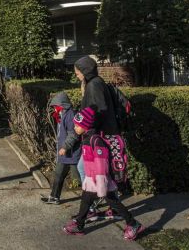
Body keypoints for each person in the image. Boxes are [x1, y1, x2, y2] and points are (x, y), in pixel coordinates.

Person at [61, 57, 144, 241]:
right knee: (95, 181)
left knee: (98, 183)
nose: (76, 75)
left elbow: (100, 111)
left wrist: (82, 126)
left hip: (100, 142)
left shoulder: (94, 85)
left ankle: (131, 223)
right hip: (98, 140)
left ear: (85, 70)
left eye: (77, 71)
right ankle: (83, 220)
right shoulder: (95, 83)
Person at [40, 92, 81, 205]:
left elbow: (74, 134)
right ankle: (54, 197)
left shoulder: (70, 115)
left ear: (62, 105)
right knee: (58, 175)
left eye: (55, 106)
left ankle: (93, 200)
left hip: (72, 153)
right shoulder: (63, 114)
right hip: (65, 154)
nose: (54, 109)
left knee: (79, 179)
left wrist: (65, 147)